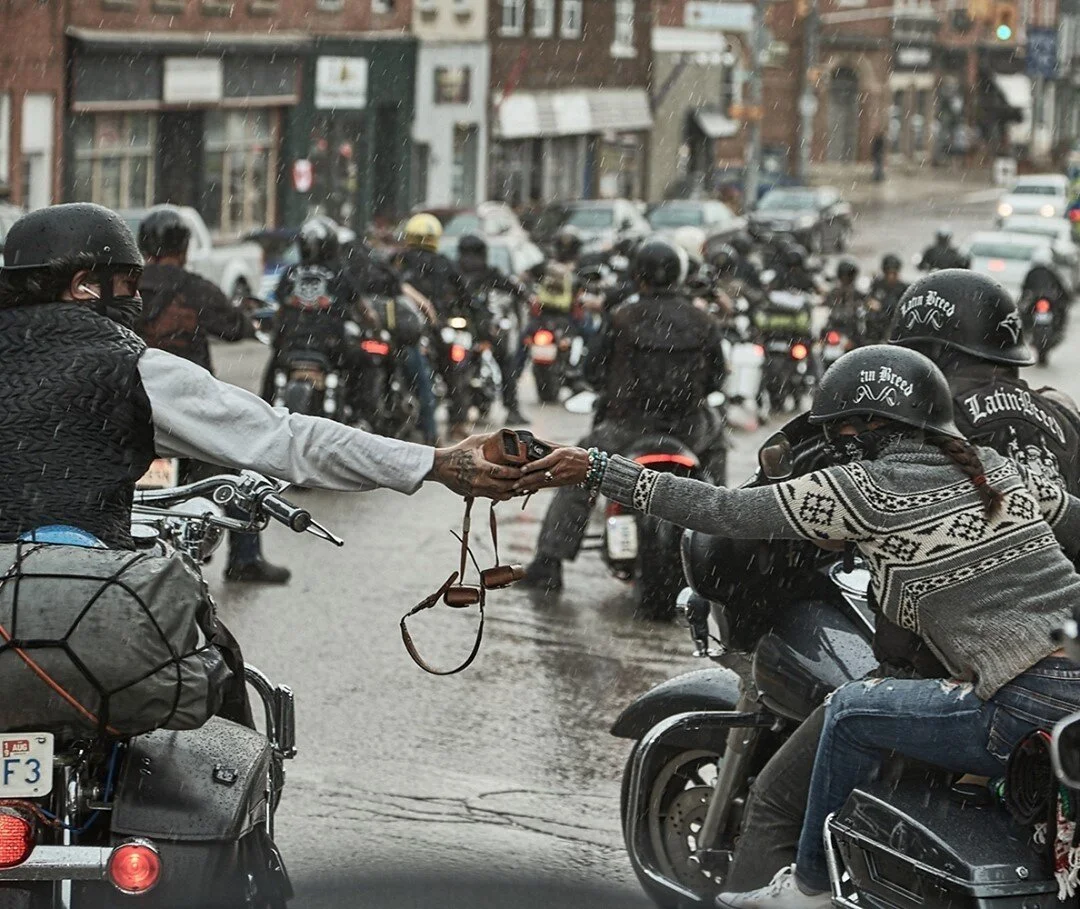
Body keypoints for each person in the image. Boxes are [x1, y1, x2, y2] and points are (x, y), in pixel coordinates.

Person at [520, 344, 1080, 908]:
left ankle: (807, 887)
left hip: (1022, 706)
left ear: (862, 430)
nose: (835, 444)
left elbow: (721, 512)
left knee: (850, 708)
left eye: (838, 432)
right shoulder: (1001, 473)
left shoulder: (864, 492)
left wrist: (597, 468)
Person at [0, 203, 523, 555]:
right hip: (76, 606)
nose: (134, 296)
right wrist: (434, 461)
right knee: (208, 665)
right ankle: (246, 565)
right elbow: (289, 439)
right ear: (83, 286)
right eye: (126, 283)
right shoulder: (131, 369)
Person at [521, 237, 728, 591]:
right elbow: (717, 377)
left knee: (577, 470)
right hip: (688, 429)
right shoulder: (702, 320)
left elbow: (591, 370)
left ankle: (549, 562)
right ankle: (721, 554)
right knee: (719, 455)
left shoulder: (621, 317)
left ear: (638, 276)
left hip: (625, 429)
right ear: (678, 276)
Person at [135, 207, 290, 584]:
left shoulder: (127, 287)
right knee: (241, 465)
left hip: (133, 405)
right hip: (190, 410)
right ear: (184, 247)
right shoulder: (195, 288)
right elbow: (235, 327)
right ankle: (245, 558)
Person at [340, 236, 439, 445]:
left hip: (363, 341)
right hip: (396, 341)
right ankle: (431, 437)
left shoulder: (342, 274)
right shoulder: (382, 272)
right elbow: (425, 306)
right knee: (422, 383)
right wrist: (433, 324)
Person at [392, 213, 474, 439]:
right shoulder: (442, 263)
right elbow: (466, 294)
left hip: (399, 327)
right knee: (451, 370)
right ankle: (455, 423)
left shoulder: (399, 260)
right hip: (431, 325)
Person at [456, 233, 532, 426]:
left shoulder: (483, 274)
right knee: (506, 363)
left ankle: (457, 414)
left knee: (506, 361)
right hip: (469, 329)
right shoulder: (461, 274)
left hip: (479, 329)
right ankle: (511, 409)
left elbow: (514, 288)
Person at [822, 258, 868, 344]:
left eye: (849, 276)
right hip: (835, 325)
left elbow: (867, 302)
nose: (846, 279)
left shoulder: (857, 292)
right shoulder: (834, 291)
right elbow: (825, 302)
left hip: (850, 326)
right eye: (844, 276)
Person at [866, 253, 908, 341]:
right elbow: (869, 300)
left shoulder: (903, 288)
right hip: (877, 323)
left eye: (894, 273)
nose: (891, 276)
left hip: (894, 323)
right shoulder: (877, 284)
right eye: (888, 273)